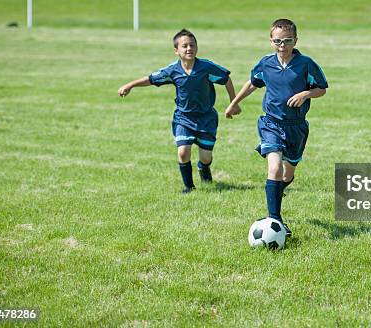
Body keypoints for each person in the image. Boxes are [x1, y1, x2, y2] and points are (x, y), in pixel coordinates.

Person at [224, 19, 328, 236]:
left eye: (287, 41)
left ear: (295, 40)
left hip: (296, 127)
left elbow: (322, 88)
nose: (282, 46)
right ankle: (275, 220)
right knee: (274, 168)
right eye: (278, 41)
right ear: (271, 41)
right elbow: (253, 83)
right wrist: (234, 103)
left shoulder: (306, 64)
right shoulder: (265, 63)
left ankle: (278, 194)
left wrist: (306, 93)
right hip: (271, 123)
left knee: (286, 175)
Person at [118, 29, 238, 193]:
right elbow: (151, 79)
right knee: (183, 152)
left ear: (197, 47)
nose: (189, 48)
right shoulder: (173, 70)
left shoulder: (206, 67)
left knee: (206, 157)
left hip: (206, 118)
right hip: (184, 118)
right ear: (176, 51)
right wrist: (130, 85)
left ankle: (204, 168)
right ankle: (189, 187)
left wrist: (233, 102)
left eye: (192, 45)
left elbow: (226, 78)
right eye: (184, 46)